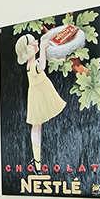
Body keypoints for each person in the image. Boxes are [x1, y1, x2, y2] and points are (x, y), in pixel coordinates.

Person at [15, 30, 67, 168]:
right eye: (32, 42)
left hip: (37, 94)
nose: (35, 42)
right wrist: (43, 48)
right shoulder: (33, 65)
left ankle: (37, 160)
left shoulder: (30, 64)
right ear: (28, 49)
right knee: (37, 126)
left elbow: (40, 63)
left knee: (37, 126)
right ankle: (37, 160)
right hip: (40, 96)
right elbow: (42, 66)